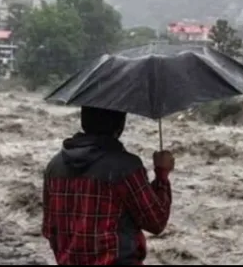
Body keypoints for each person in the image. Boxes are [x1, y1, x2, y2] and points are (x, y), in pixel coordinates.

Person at [42, 106, 174, 265]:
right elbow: (156, 222)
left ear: (84, 120)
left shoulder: (54, 166)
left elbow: (49, 230)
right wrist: (162, 175)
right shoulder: (126, 167)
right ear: (120, 125)